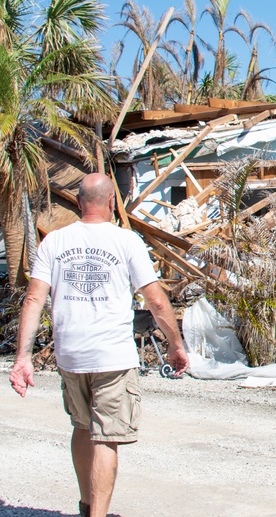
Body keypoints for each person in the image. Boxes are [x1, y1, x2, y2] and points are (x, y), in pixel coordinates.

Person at [9, 173, 189, 517]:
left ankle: (86, 505)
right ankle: (98, 515)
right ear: (111, 203)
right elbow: (157, 301)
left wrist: (23, 357)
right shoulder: (126, 241)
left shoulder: (54, 242)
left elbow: (33, 298)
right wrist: (175, 345)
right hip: (112, 356)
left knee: (81, 426)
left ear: (78, 204)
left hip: (70, 355)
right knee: (106, 436)